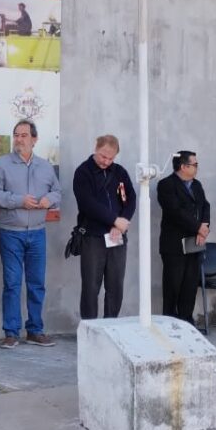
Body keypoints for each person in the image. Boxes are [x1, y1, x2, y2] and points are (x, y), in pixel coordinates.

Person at [0, 119, 62, 348]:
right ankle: (11, 332)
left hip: (38, 233)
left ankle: (35, 330)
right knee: (12, 283)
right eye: (16, 135)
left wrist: (50, 200)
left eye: (24, 135)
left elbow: (58, 191)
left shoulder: (45, 166)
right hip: (11, 233)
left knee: (37, 283)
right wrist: (18, 201)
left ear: (34, 139)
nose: (19, 139)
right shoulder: (1, 164)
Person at [72, 134, 136, 319]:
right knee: (91, 287)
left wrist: (121, 223)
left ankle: (111, 326)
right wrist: (114, 220)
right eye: (102, 156)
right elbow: (87, 204)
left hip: (116, 236)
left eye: (111, 158)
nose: (106, 161)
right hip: (93, 237)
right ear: (96, 148)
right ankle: (90, 328)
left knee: (115, 285)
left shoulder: (120, 172)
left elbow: (131, 199)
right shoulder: (83, 172)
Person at [157, 150, 210, 326]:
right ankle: (170, 322)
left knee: (190, 284)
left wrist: (205, 227)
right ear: (183, 166)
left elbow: (205, 206)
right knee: (173, 284)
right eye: (195, 164)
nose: (197, 167)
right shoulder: (166, 185)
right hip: (174, 244)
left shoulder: (196, 185)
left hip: (194, 242)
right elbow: (175, 212)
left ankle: (187, 320)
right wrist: (198, 228)